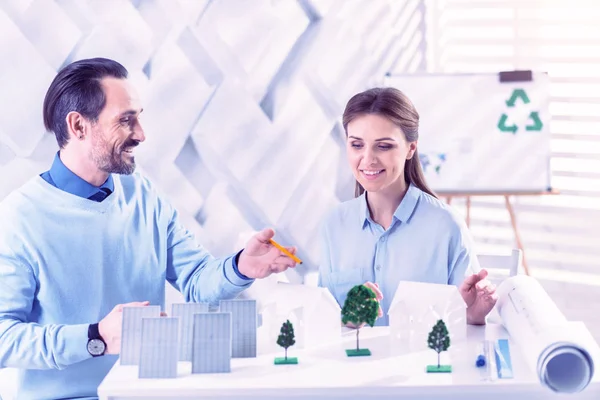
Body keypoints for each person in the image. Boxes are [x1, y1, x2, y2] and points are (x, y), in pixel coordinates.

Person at [0, 58, 297, 400]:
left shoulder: (144, 195)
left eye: (139, 117)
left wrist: (240, 267)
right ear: (79, 126)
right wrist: (96, 337)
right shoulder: (18, 219)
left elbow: (196, 280)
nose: (141, 134)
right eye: (126, 121)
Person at [318, 87, 496, 327]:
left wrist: (473, 315)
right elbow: (323, 318)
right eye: (357, 145)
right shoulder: (335, 225)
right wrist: (348, 318)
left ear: (411, 148)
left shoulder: (445, 226)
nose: (368, 159)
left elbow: (462, 317)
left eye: (383, 146)